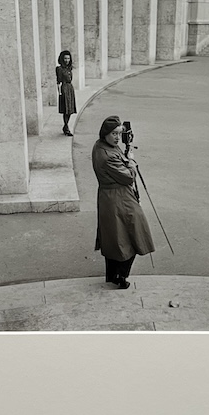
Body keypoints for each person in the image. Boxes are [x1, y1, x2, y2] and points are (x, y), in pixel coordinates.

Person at [92, 116, 155, 289]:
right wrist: (131, 161)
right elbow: (128, 178)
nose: (117, 138)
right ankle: (121, 276)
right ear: (105, 133)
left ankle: (113, 275)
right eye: (113, 134)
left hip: (110, 198)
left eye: (119, 134)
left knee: (114, 238)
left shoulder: (101, 146)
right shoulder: (107, 156)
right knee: (133, 235)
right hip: (119, 199)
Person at [56, 50, 76, 136]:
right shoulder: (59, 69)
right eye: (65, 58)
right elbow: (58, 81)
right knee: (66, 109)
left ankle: (65, 126)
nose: (67, 60)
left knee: (70, 109)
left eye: (68, 58)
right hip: (64, 88)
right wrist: (60, 93)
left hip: (70, 88)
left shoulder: (69, 68)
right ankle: (66, 127)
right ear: (62, 59)